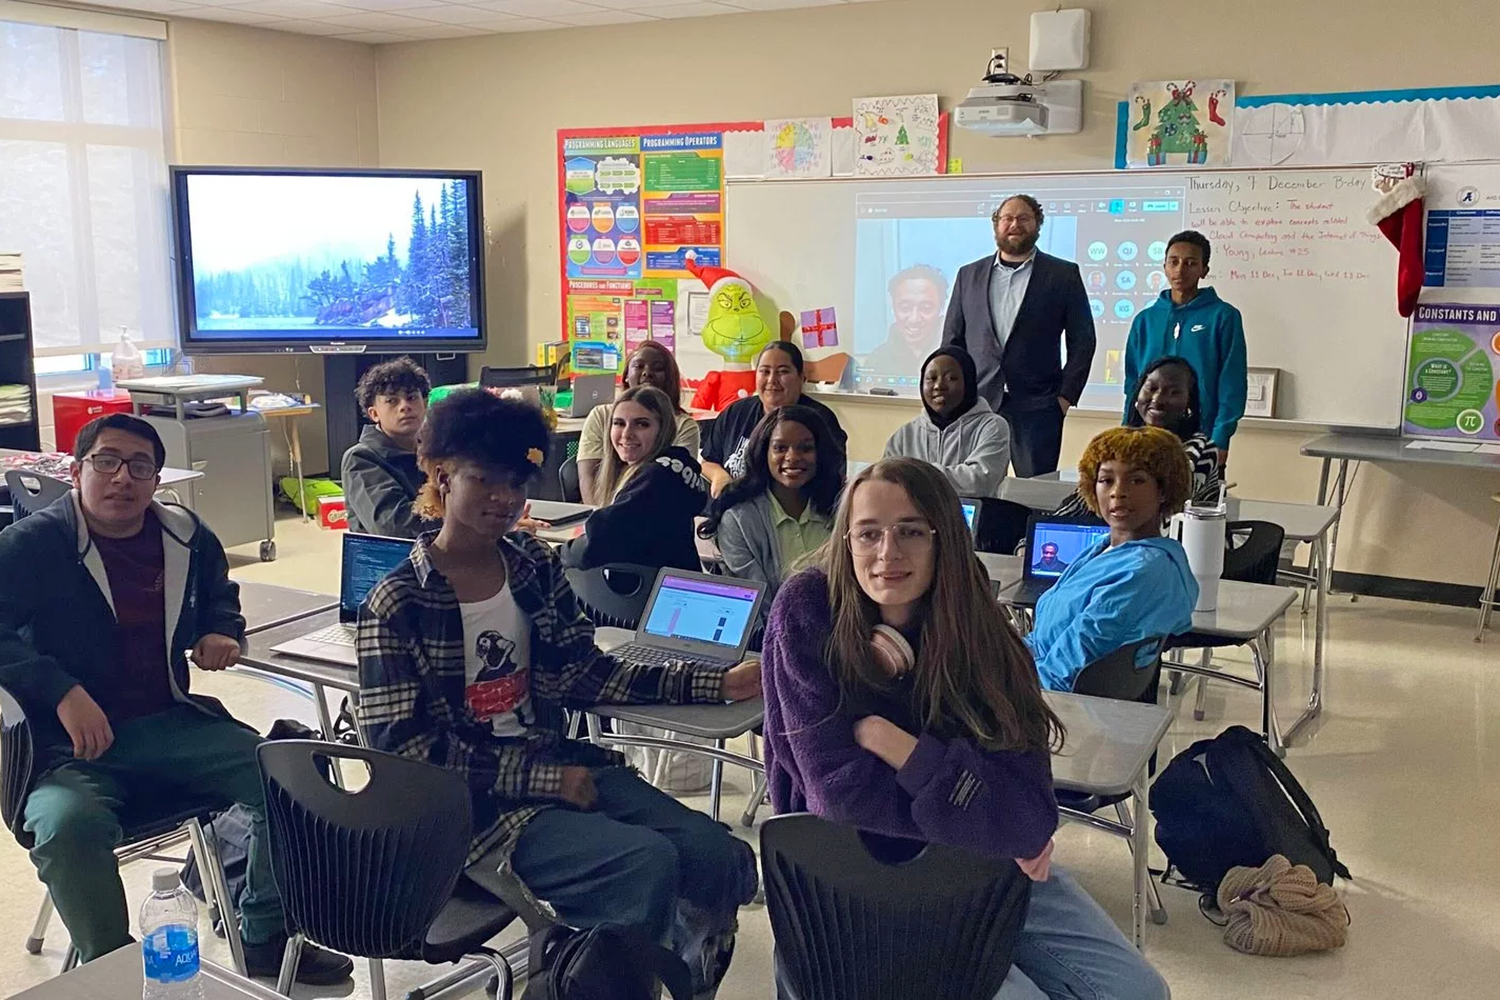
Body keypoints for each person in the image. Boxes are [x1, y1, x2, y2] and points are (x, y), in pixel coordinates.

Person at [357, 389, 760, 995]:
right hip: (472, 811)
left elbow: (582, 672)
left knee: (713, 853)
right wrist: (545, 783)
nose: (503, 498)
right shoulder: (398, 602)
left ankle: (662, 969)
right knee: (643, 866)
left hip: (556, 762)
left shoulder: (530, 566)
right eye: (483, 479)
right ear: (440, 475)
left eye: (516, 482)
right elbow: (405, 755)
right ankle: (599, 976)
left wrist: (710, 681)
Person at [761, 457, 1169, 1000]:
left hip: (977, 864)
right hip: (851, 882)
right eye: (868, 534)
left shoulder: (974, 622)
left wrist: (901, 749)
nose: (888, 554)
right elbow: (837, 798)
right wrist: (984, 813)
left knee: (1139, 993)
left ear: (943, 539)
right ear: (847, 540)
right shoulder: (808, 609)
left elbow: (1028, 819)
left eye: (910, 531)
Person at [0, 414, 352, 983]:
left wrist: (221, 628)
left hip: (169, 723)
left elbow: (220, 594)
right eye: (106, 462)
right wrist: (60, 689)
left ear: (157, 479)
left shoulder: (185, 535)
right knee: (68, 827)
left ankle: (264, 934)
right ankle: (112, 972)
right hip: (64, 749)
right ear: (76, 469)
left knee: (289, 781)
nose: (123, 478)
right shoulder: (29, 546)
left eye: (140, 467)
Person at [1027, 426, 1198, 694]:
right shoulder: (1103, 548)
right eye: (1106, 480)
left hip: (1054, 704)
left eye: (1137, 480)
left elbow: (1067, 670)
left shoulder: (1143, 571)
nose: (1118, 492)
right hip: (1036, 678)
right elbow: (1043, 639)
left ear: (1163, 490)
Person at [943, 194, 1097, 478]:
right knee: (972, 486)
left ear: (1038, 225)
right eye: (1007, 218)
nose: (1015, 224)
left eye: (1024, 218)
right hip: (978, 403)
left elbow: (1084, 340)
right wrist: (955, 398)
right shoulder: (968, 275)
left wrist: (1064, 398)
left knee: (1035, 491)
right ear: (996, 226)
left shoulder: (1063, 275)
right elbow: (952, 343)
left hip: (1039, 406)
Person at [699, 405, 844, 610]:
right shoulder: (739, 520)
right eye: (780, 448)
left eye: (806, 448)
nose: (792, 457)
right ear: (763, 452)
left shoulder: (844, 509)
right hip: (771, 635)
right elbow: (757, 605)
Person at [1122, 230, 1247, 464]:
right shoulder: (1145, 320)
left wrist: (1220, 438)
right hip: (1149, 435)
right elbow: (1133, 383)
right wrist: (1127, 428)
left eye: (1190, 263)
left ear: (1204, 270)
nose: (1180, 270)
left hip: (1202, 436)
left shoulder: (1224, 317)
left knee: (1196, 498)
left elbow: (1232, 382)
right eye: (1174, 262)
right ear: (1165, 266)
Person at [561, 385, 708, 574]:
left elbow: (600, 539)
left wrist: (557, 554)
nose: (627, 434)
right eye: (619, 423)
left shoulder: (658, 478)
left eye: (642, 424)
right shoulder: (670, 469)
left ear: (663, 429)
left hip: (654, 596)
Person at [1054, 357, 1222, 519]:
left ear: (1189, 403)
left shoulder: (1202, 450)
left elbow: (1170, 510)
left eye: (1173, 392)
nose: (1158, 399)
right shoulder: (1117, 444)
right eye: (1151, 388)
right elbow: (1081, 501)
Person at [700, 341, 847, 497]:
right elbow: (709, 461)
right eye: (764, 371)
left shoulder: (820, 419)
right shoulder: (736, 412)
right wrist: (720, 476)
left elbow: (833, 477)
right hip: (733, 510)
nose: (772, 380)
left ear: (801, 377)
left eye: (782, 372)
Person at [577, 341, 700, 505]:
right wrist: (598, 515)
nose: (647, 373)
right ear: (627, 375)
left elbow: (673, 485)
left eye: (657, 368)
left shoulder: (684, 425)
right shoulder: (601, 415)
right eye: (639, 366)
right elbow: (588, 476)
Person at [883, 346, 1012, 497]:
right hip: (915, 518)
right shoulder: (906, 434)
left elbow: (979, 482)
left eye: (951, 378)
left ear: (968, 383)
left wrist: (912, 476)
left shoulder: (992, 426)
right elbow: (886, 482)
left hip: (971, 518)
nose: (939, 386)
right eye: (931, 378)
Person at [341, 356, 431, 537]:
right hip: (394, 561)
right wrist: (463, 515)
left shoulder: (438, 449)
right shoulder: (360, 459)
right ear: (374, 414)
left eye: (412, 397)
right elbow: (394, 527)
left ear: (425, 404)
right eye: (392, 401)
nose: (405, 406)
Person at [862, 264, 948, 381]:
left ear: (941, 308)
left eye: (926, 308)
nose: (914, 319)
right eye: (905, 307)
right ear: (893, 308)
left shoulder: (955, 357)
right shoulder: (876, 360)